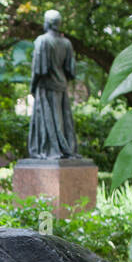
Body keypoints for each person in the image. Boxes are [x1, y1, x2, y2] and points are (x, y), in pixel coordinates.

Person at [28, 8, 78, 159]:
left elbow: (39, 70)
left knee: (47, 120)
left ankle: (50, 149)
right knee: (63, 120)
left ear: (48, 23)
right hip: (61, 86)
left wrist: (33, 86)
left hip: (46, 87)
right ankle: (64, 148)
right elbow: (71, 70)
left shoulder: (42, 41)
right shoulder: (67, 43)